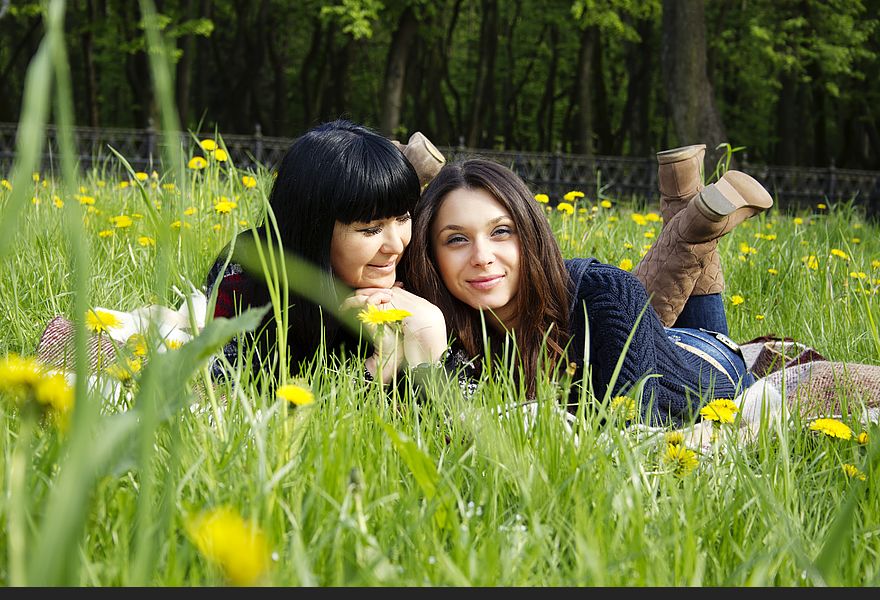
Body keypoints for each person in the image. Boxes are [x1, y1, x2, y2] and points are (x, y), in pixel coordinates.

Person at [400, 156, 774, 423]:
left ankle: (691, 219)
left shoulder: (605, 293)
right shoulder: (435, 318)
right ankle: (688, 207)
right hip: (626, 325)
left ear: (530, 234)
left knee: (619, 300)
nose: (481, 256)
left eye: (501, 231)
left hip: (706, 363)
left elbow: (637, 432)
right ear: (430, 255)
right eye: (456, 239)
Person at [204, 119, 447, 383]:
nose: (397, 245)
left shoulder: (421, 263)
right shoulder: (247, 270)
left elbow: (444, 416)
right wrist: (379, 365)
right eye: (370, 230)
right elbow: (229, 394)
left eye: (402, 218)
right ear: (314, 228)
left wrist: (428, 329)